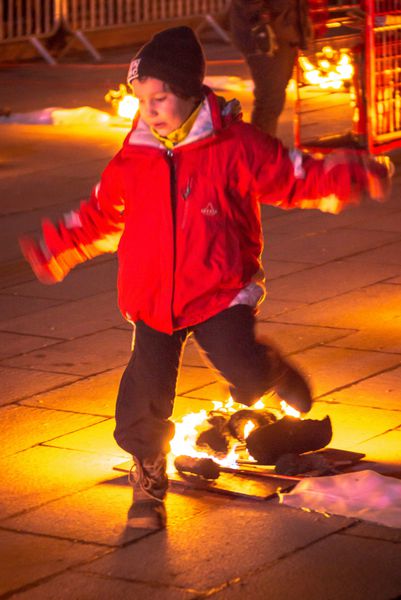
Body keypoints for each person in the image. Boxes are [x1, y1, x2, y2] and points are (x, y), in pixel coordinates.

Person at [19, 26, 391, 532]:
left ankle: (273, 370)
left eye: (161, 97)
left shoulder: (233, 144)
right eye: (141, 98)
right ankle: (148, 482)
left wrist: (347, 175)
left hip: (219, 291)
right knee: (142, 395)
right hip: (152, 299)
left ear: (190, 94)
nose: (149, 109)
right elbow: (102, 213)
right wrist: (60, 244)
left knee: (246, 372)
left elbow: (293, 175)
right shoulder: (135, 155)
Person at [230, 0, 326, 136]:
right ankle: (260, 153)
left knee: (273, 99)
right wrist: (259, 21)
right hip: (268, 31)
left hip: (284, 28)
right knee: (270, 101)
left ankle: (262, 150)